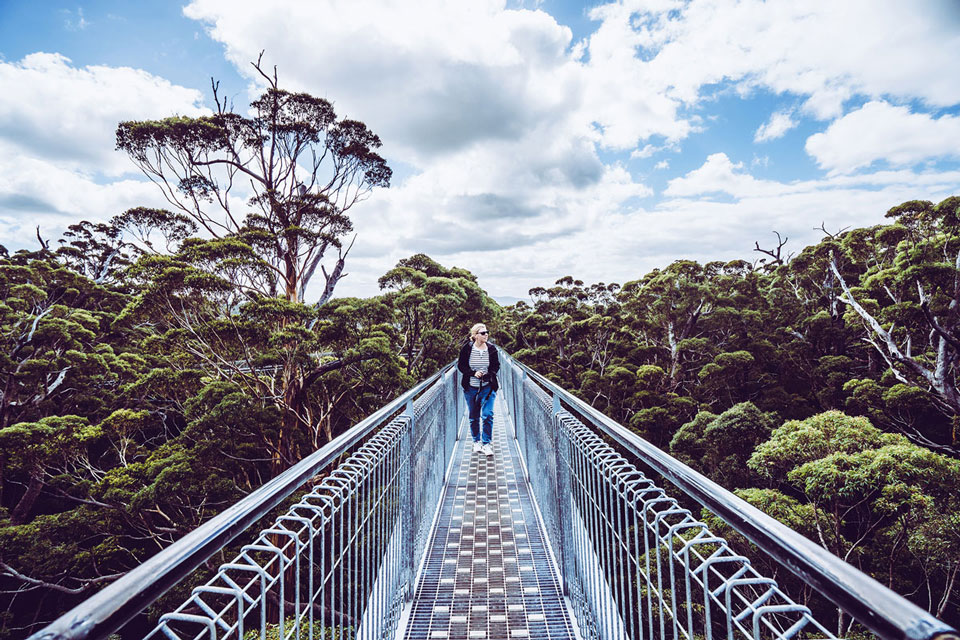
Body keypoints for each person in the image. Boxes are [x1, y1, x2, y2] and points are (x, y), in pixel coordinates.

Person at [458, 323, 500, 456]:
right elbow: (461, 365)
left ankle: (486, 443)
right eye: (483, 333)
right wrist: (473, 373)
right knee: (474, 416)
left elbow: (496, 366)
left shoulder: (492, 349)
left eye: (487, 332)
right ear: (475, 335)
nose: (486, 335)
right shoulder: (467, 348)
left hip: (487, 387)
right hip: (471, 388)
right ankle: (476, 441)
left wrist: (489, 375)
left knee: (488, 415)